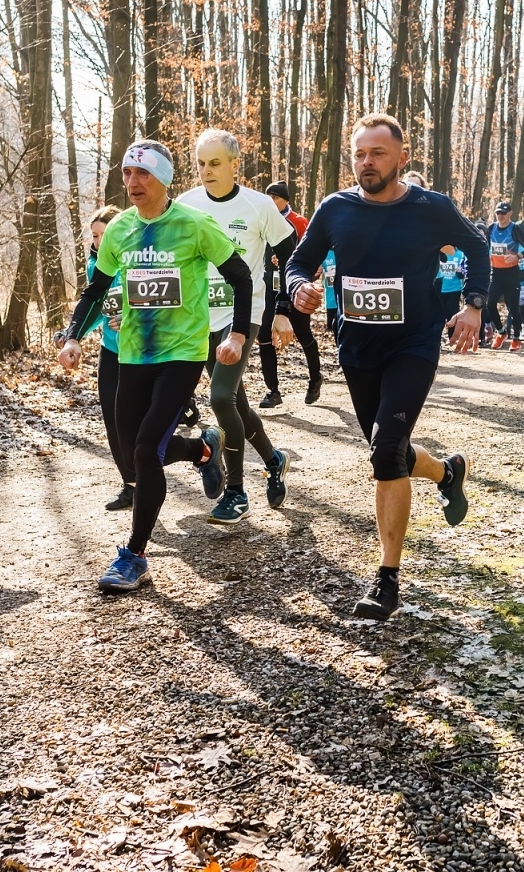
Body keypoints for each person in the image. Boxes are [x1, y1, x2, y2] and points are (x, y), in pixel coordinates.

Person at [287, 113, 490, 620]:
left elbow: (477, 247)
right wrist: (299, 289)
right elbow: (297, 261)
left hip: (413, 343)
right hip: (357, 349)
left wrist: (474, 303)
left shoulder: (430, 207)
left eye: (378, 153)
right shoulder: (334, 208)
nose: (367, 163)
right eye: (359, 153)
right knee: (390, 450)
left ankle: (386, 578)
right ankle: (446, 472)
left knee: (384, 451)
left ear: (401, 157)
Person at [56, 140, 255, 593]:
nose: (132, 183)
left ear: (163, 179)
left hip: (181, 354)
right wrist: (72, 335)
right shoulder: (121, 229)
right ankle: (202, 450)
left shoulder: (193, 224)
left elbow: (242, 277)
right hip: (132, 355)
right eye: (126, 174)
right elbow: (95, 289)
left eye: (142, 174)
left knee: (146, 450)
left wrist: (238, 334)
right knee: (136, 455)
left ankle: (135, 554)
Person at [177, 131, 296, 525]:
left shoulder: (259, 206)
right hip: (199, 317)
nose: (207, 171)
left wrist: (281, 308)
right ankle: (274, 459)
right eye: (201, 164)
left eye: (215, 163)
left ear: (233, 164)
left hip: (244, 315)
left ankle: (236, 492)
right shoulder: (186, 205)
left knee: (219, 398)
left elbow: (289, 253)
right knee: (236, 405)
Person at [79, 205, 136, 511]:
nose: (99, 242)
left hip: (143, 349)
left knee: (137, 422)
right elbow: (97, 309)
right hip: (111, 348)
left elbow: (157, 301)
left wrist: (133, 317)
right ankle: (131, 485)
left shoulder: (136, 259)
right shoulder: (94, 266)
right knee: (112, 419)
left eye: (104, 235)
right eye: (95, 236)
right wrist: (73, 334)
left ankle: (197, 450)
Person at [258, 181, 325, 408]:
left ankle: (315, 377)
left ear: (286, 199)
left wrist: (309, 271)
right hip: (268, 287)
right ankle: (272, 390)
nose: (271, 201)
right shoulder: (261, 220)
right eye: (268, 197)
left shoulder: (299, 222)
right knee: (264, 335)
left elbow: (312, 254)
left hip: (293, 286)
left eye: (275, 197)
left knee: (303, 333)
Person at [483, 201, 524, 350]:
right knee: (490, 304)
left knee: (514, 308)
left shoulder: (515, 228)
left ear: (510, 213)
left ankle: (516, 338)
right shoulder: (491, 228)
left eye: (503, 213)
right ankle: (501, 332)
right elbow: (487, 245)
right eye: (498, 213)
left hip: (511, 273)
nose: (500, 216)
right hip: (496, 272)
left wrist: (518, 256)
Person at [437, 245, 468, 343]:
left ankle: (452, 338)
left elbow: (464, 270)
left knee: (453, 313)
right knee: (439, 314)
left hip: (455, 289)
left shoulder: (460, 254)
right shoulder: (438, 253)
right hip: (440, 288)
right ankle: (437, 338)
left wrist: (461, 271)